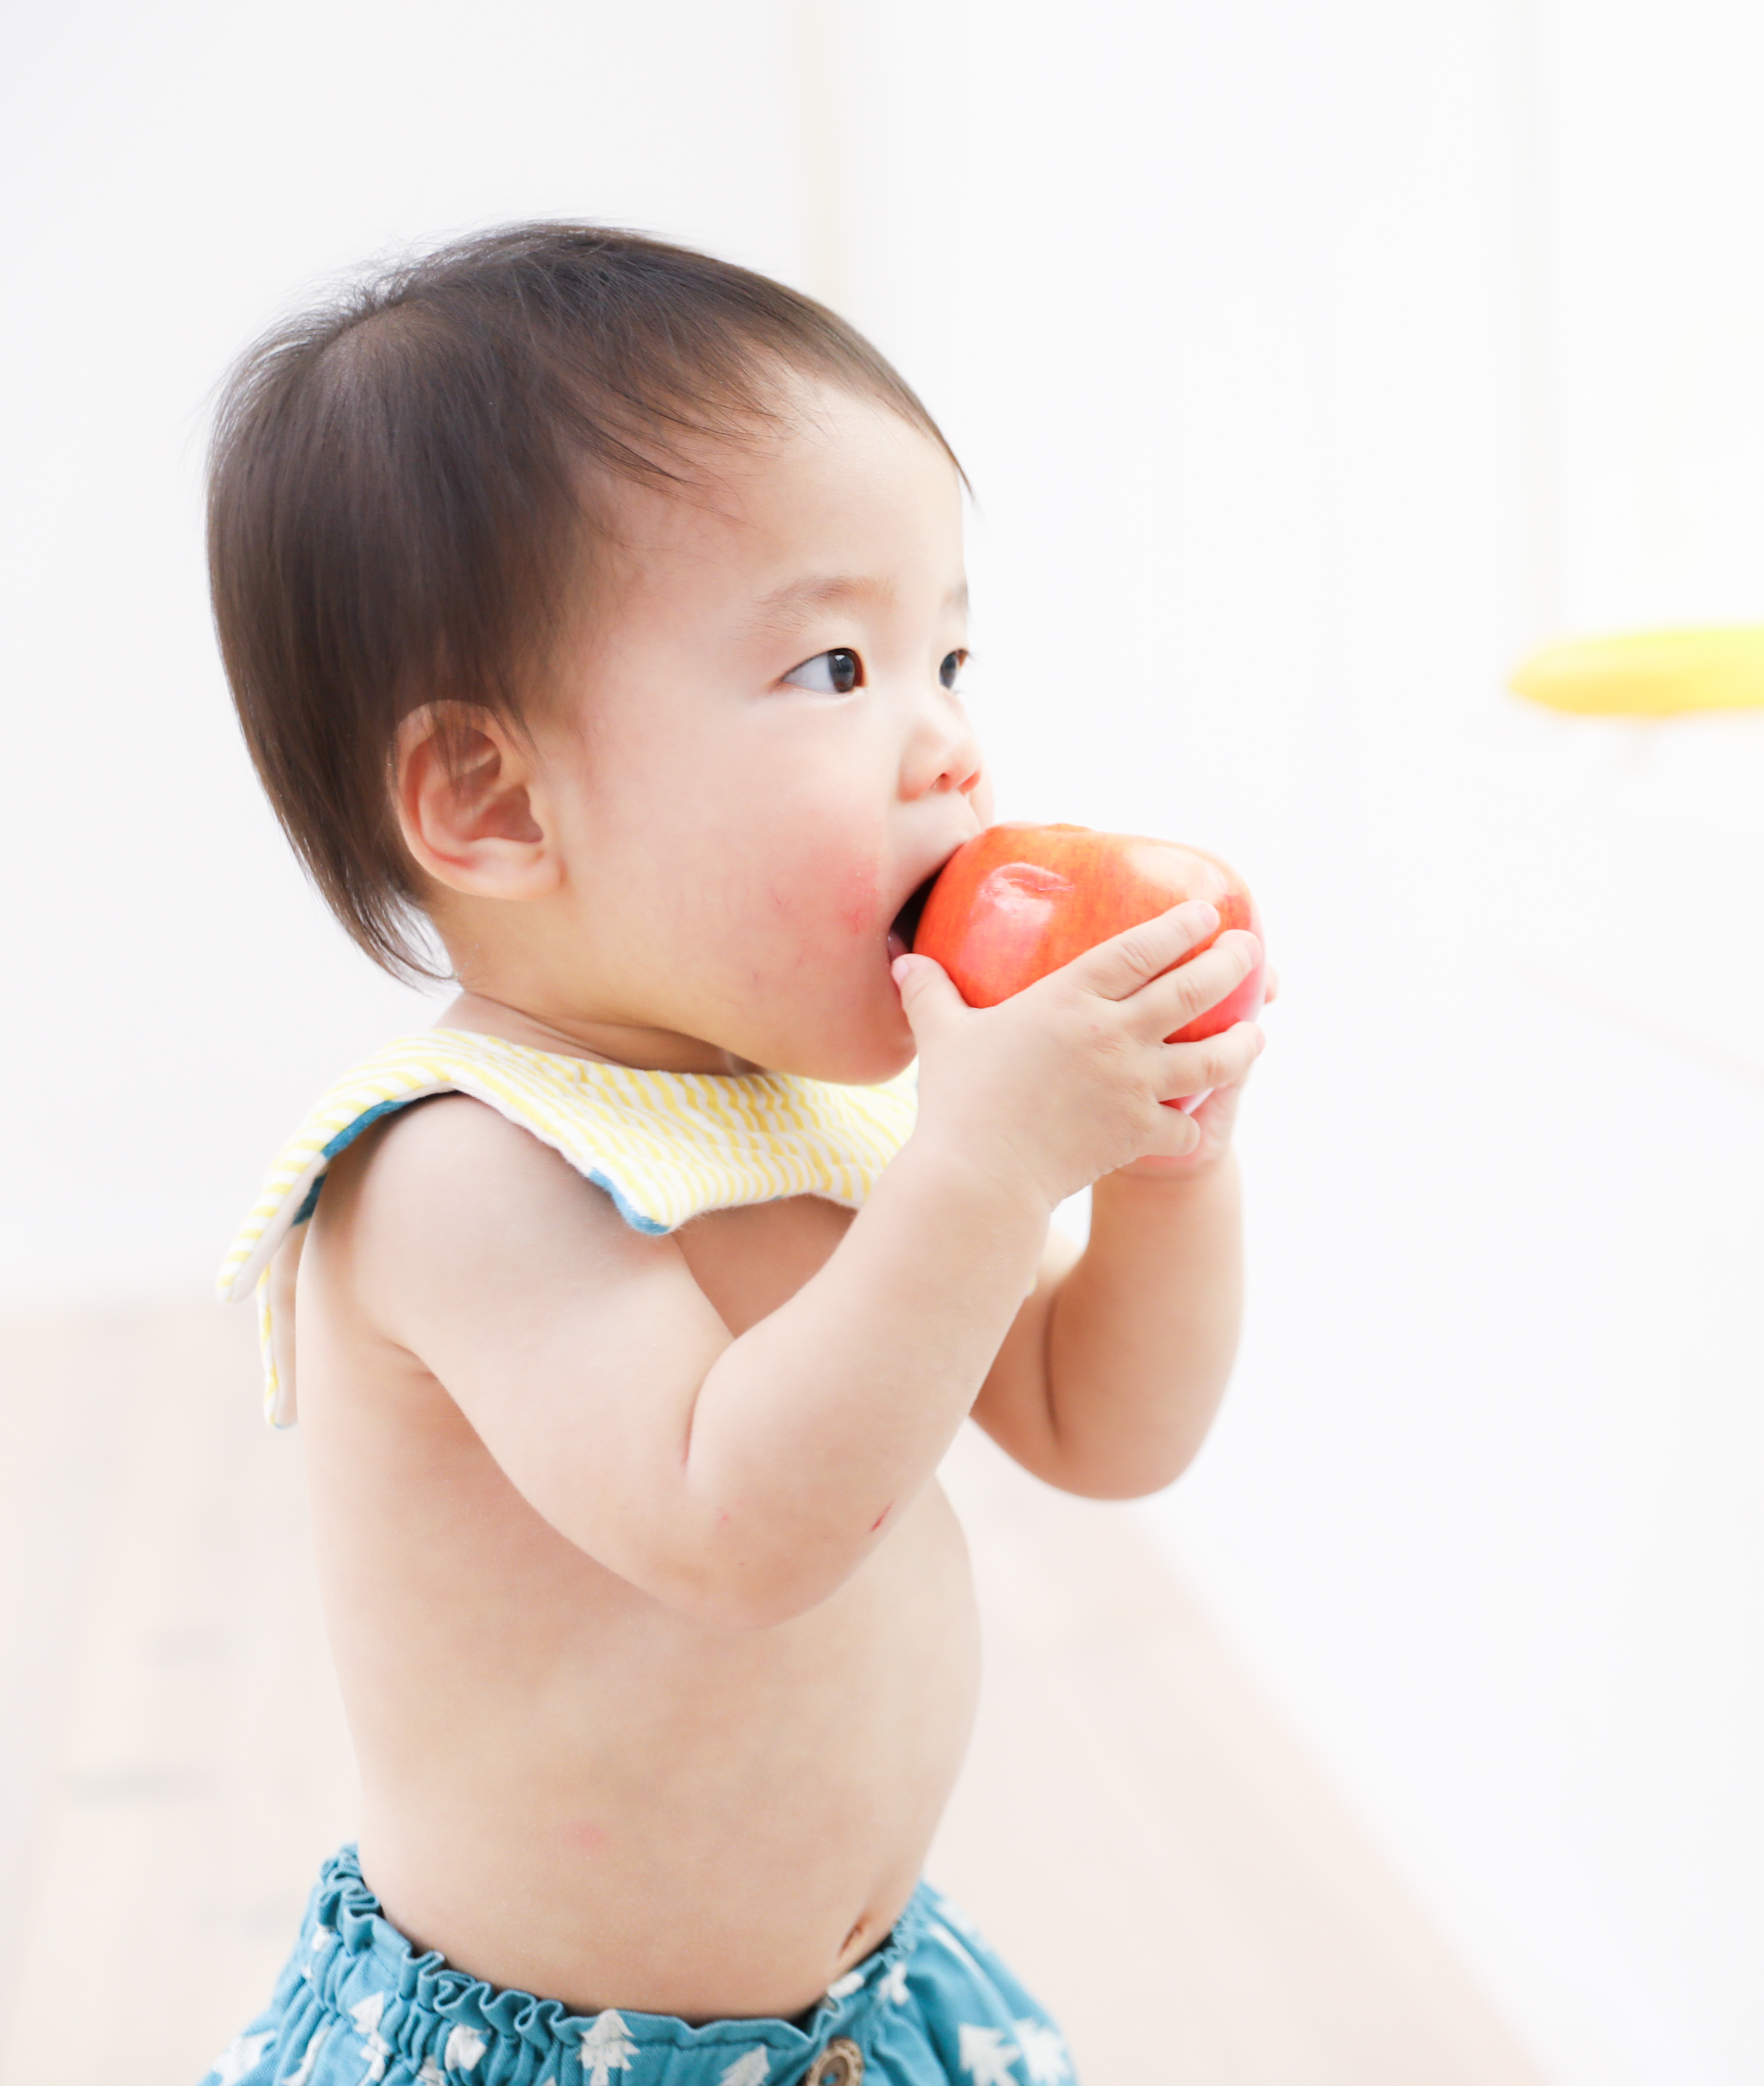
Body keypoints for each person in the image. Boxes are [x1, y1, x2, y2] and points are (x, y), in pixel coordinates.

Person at [196, 223, 1264, 2083]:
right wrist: (983, 1171)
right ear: (493, 798)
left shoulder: (824, 1103)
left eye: (950, 652)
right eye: (836, 666)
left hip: (861, 2014)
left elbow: (1107, 1428)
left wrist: (1169, 1166)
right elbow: (738, 1524)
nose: (949, 746)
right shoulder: (458, 1176)